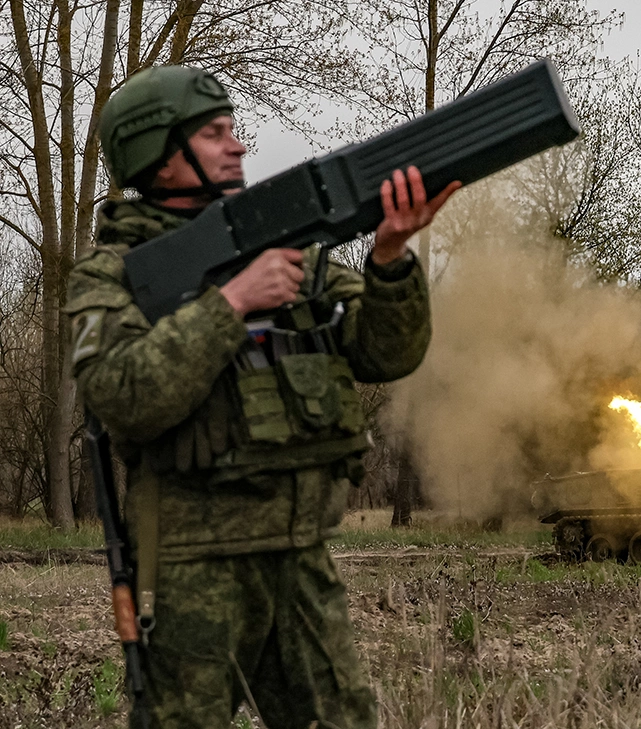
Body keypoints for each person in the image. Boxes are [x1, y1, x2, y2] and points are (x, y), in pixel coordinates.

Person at [67, 65, 459, 728]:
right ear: (161, 154)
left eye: (233, 131)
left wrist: (390, 258)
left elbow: (387, 353)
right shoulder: (113, 274)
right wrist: (233, 302)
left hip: (303, 558)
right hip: (197, 574)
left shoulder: (287, 250)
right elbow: (123, 393)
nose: (238, 145)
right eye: (216, 133)